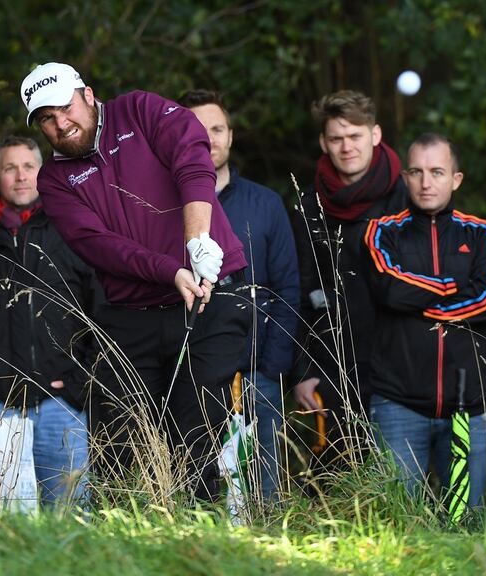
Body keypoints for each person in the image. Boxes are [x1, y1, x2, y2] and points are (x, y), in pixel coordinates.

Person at [19, 62, 250, 500]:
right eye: (46, 118)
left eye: (65, 108)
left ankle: (196, 550)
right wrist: (171, 270)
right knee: (123, 446)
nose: (60, 123)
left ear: (87, 95)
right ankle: (127, 549)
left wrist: (197, 239)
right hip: (131, 315)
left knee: (195, 439)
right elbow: (98, 245)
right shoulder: (54, 178)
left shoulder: (139, 110)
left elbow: (192, 157)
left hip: (208, 299)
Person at [0, 135, 100, 505]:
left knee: (68, 520)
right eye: (10, 168)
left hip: (60, 405)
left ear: (43, 172)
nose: (20, 176)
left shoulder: (70, 228)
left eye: (29, 167)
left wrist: (78, 383)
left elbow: (100, 313)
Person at [364, 133, 486, 505]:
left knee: (463, 520)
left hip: (467, 409)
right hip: (398, 404)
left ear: (455, 179)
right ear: (406, 177)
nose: (426, 182)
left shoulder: (481, 234)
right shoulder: (382, 232)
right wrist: (454, 285)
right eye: (417, 171)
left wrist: (421, 302)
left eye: (437, 172)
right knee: (396, 521)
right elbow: (390, 288)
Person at [179, 89, 300, 500]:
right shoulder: (164, 205)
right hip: (191, 374)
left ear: (230, 135)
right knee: (197, 489)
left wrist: (270, 367)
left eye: (217, 129)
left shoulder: (265, 204)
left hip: (257, 374)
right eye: (197, 130)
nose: (208, 139)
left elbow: (287, 288)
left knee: (263, 490)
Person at [291, 90, 408, 470]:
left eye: (355, 135)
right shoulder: (309, 203)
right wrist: (304, 372)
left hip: (400, 363)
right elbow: (299, 289)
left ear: (375, 134)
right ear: (324, 143)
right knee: (338, 478)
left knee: (402, 479)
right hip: (334, 363)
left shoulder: (407, 196)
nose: (346, 147)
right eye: (336, 138)